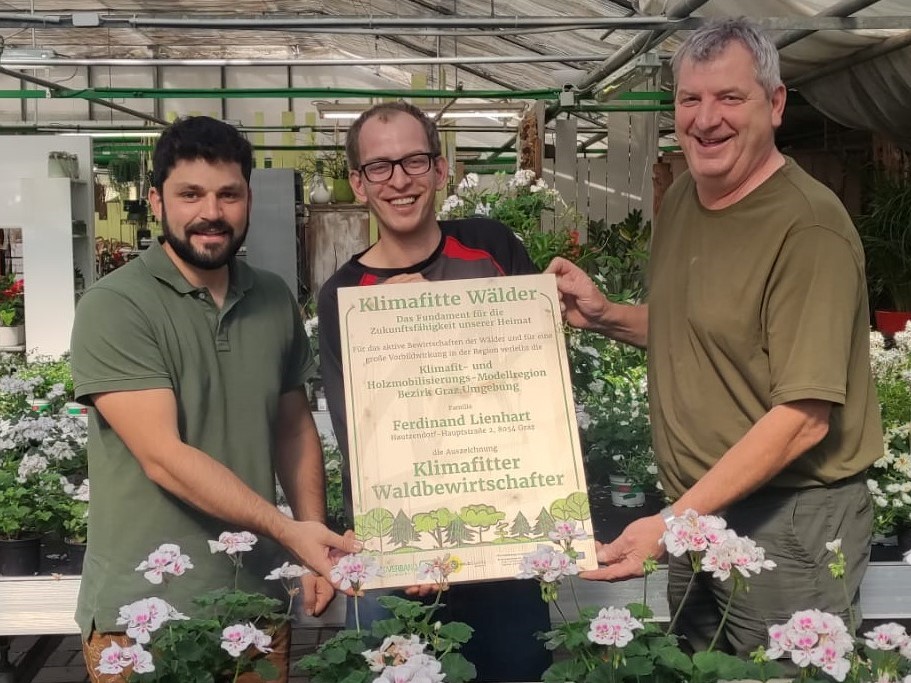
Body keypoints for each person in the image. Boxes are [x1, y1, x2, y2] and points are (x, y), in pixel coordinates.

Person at [547, 18, 882, 660]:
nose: (706, 119)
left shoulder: (808, 228)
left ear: (775, 104)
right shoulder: (684, 199)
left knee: (785, 673)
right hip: (703, 507)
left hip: (788, 523)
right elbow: (704, 328)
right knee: (703, 669)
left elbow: (804, 417)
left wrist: (670, 524)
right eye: (690, 99)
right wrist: (606, 315)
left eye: (730, 97)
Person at [70, 116, 359, 683]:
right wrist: (289, 533)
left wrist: (311, 538)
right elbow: (163, 456)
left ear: (248, 198)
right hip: (143, 615)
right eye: (190, 194)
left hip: (252, 603)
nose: (212, 212)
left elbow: (293, 430)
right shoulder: (115, 305)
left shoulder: (271, 297)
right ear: (157, 201)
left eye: (229, 194)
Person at [317, 101, 551, 682]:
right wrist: (413, 538)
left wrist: (436, 319)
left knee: (516, 671)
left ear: (441, 169)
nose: (399, 180)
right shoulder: (345, 294)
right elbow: (360, 436)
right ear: (358, 183)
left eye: (415, 161)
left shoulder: (492, 249)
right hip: (402, 551)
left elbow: (532, 387)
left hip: (504, 540)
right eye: (379, 166)